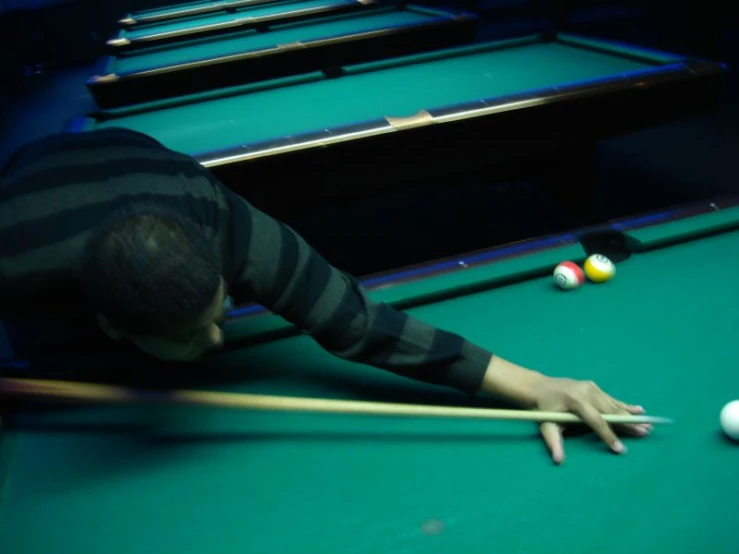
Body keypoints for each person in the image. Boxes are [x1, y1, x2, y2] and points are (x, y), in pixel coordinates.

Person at [0, 128, 650, 464]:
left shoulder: (231, 231)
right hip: (29, 177)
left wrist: (533, 384)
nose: (219, 342)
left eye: (218, 315)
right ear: (115, 327)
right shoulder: (15, 265)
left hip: (139, 162)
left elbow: (359, 322)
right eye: (190, 336)